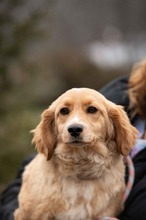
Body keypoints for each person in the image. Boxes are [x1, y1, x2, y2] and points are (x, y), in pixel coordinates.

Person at [0, 59, 146, 220]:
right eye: (64, 111)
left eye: (91, 110)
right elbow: (19, 187)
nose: (75, 124)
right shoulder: (116, 94)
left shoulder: (113, 114)